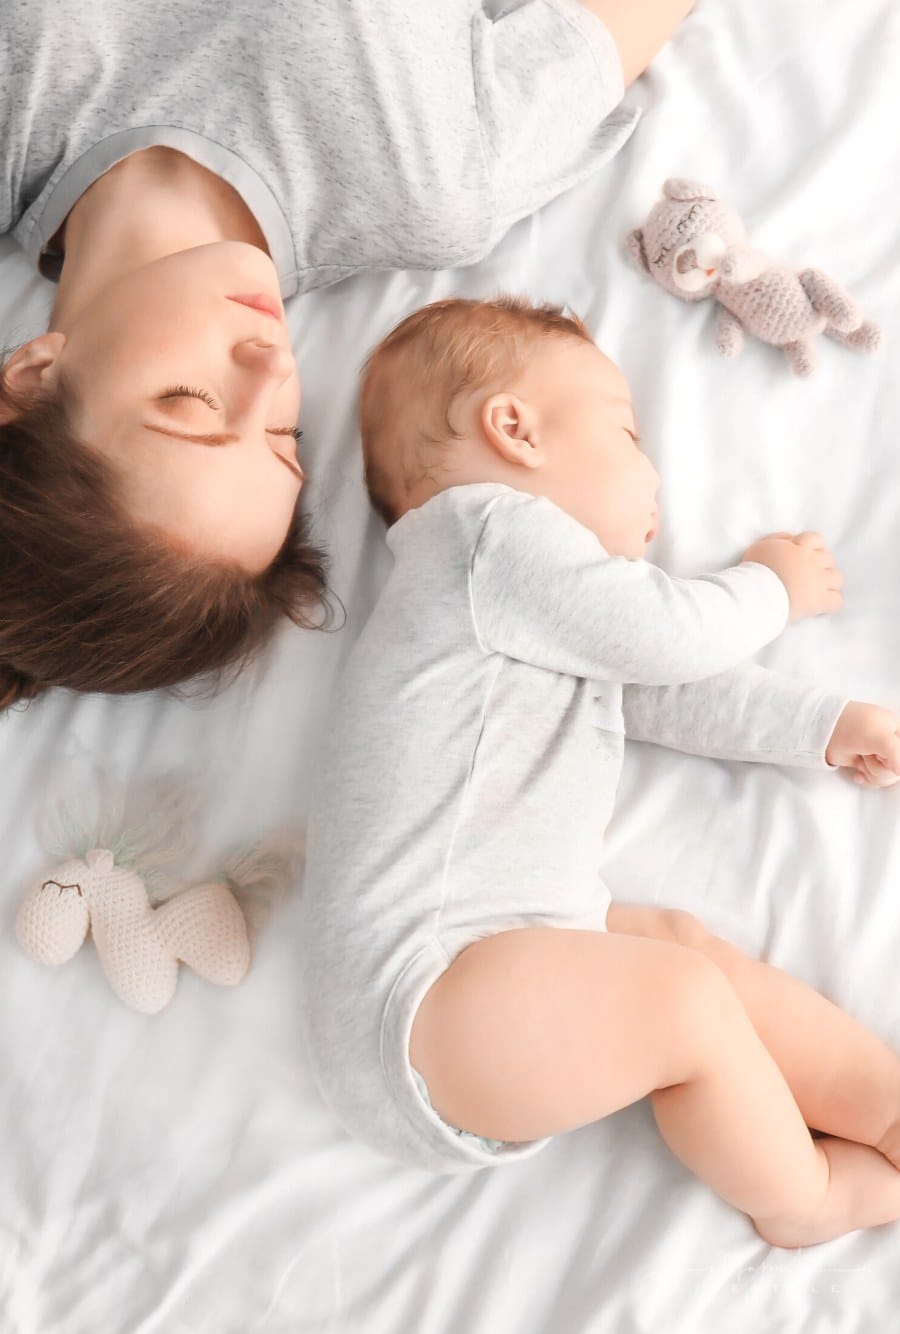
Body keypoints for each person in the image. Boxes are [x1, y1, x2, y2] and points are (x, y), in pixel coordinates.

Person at [297, 297, 900, 1250]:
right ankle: (801, 1197)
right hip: (421, 1001)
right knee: (680, 1001)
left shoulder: (522, 611)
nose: (653, 473)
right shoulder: (484, 536)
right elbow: (669, 636)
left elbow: (660, 686)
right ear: (516, 429)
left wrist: (821, 727)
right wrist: (771, 586)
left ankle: (883, 1106)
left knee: (681, 949)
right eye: (626, 433)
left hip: (482, 987)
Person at [0, 0, 695, 708]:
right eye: (283, 434)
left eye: (191, 403)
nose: (273, 366)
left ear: (31, 379)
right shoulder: (433, 189)